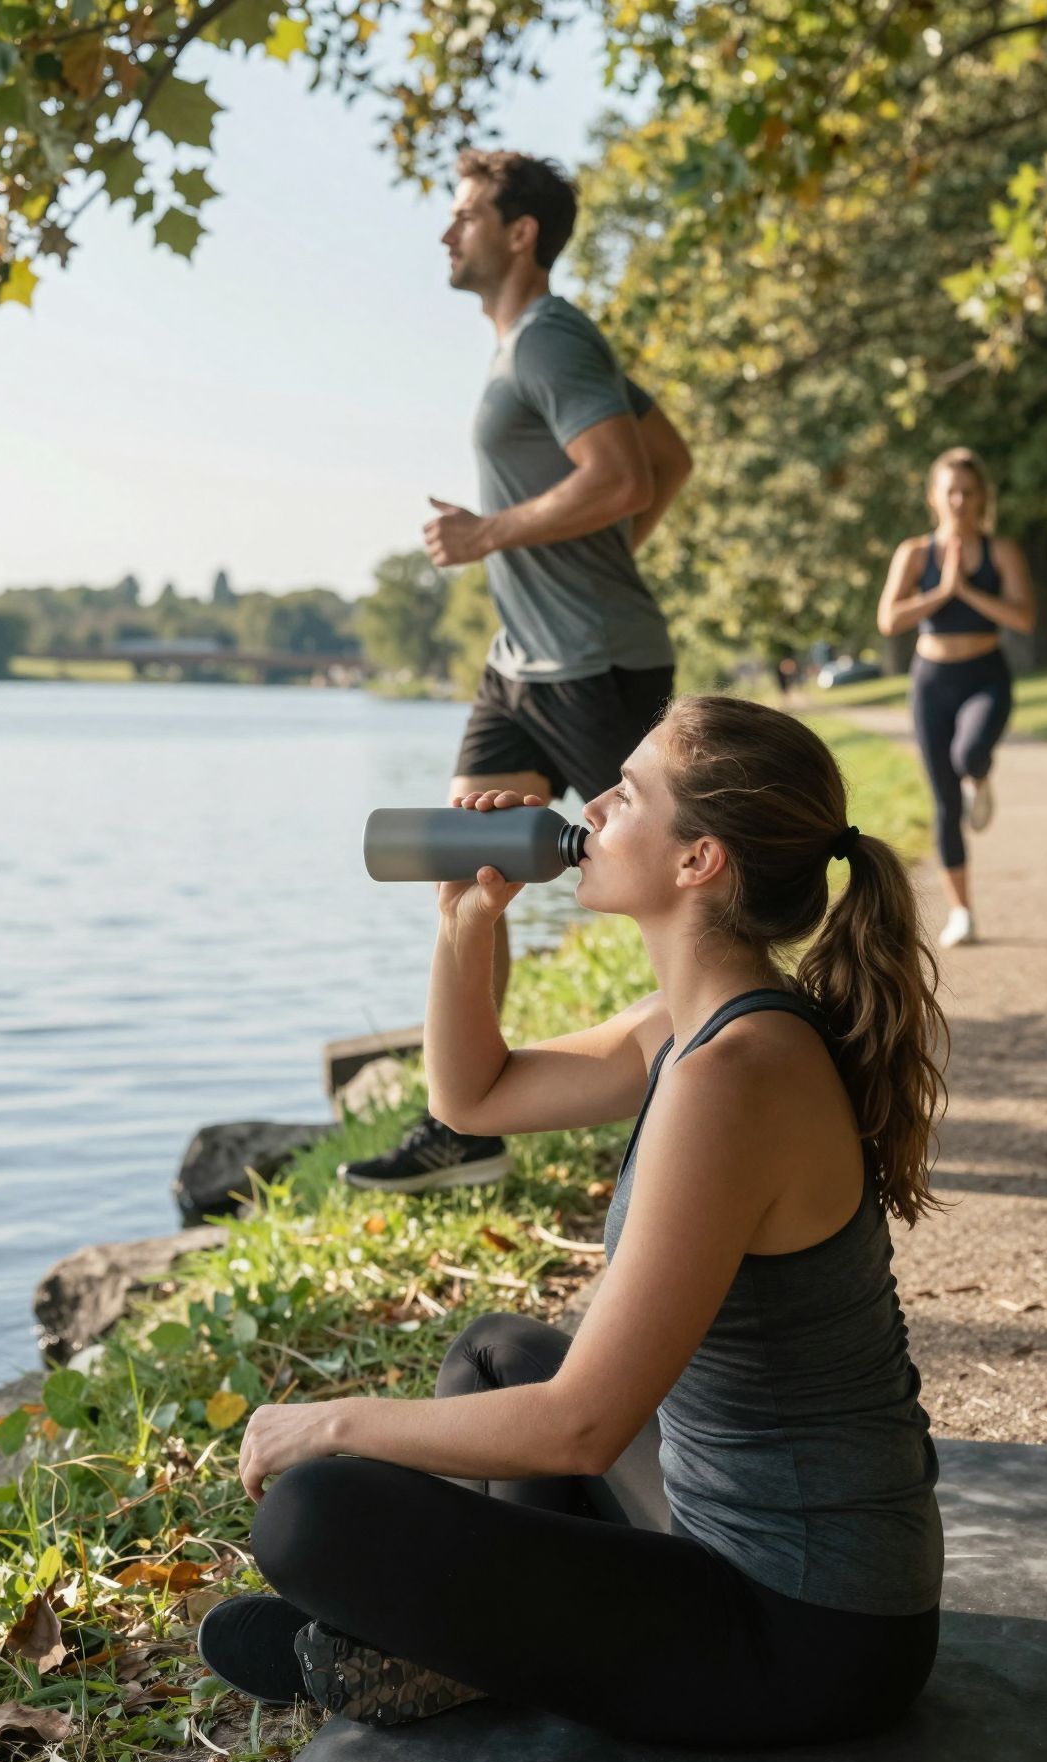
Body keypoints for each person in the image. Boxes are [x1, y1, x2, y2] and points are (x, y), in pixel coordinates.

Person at [196, 696, 948, 1751]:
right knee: (495, 1352)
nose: (589, 806)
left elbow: (584, 1426)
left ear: (698, 861)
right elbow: (472, 1098)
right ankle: (463, 1637)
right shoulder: (693, 1026)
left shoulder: (735, 1077)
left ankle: (452, 1640)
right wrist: (466, 921)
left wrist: (329, 1422)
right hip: (720, 1524)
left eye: (626, 793)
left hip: (810, 1629)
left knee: (310, 1513)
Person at [339, 148, 694, 1195]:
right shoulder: (525, 349)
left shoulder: (552, 338)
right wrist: (591, 556)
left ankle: (738, 1063)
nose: (447, 233)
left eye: (464, 215)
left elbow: (624, 476)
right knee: (466, 856)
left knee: (679, 875)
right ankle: (465, 1120)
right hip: (520, 665)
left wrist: (491, 533)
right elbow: (667, 460)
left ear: (520, 231)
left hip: (595, 660)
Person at [877, 448, 1035, 948]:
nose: (960, 501)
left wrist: (966, 590)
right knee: (945, 801)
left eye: (969, 491)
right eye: (951, 492)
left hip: (986, 676)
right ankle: (962, 912)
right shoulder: (914, 553)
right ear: (934, 497)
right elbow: (890, 620)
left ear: (983, 497)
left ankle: (979, 776)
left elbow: (1023, 618)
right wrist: (942, 591)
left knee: (969, 754)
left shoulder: (1000, 551)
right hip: (931, 682)